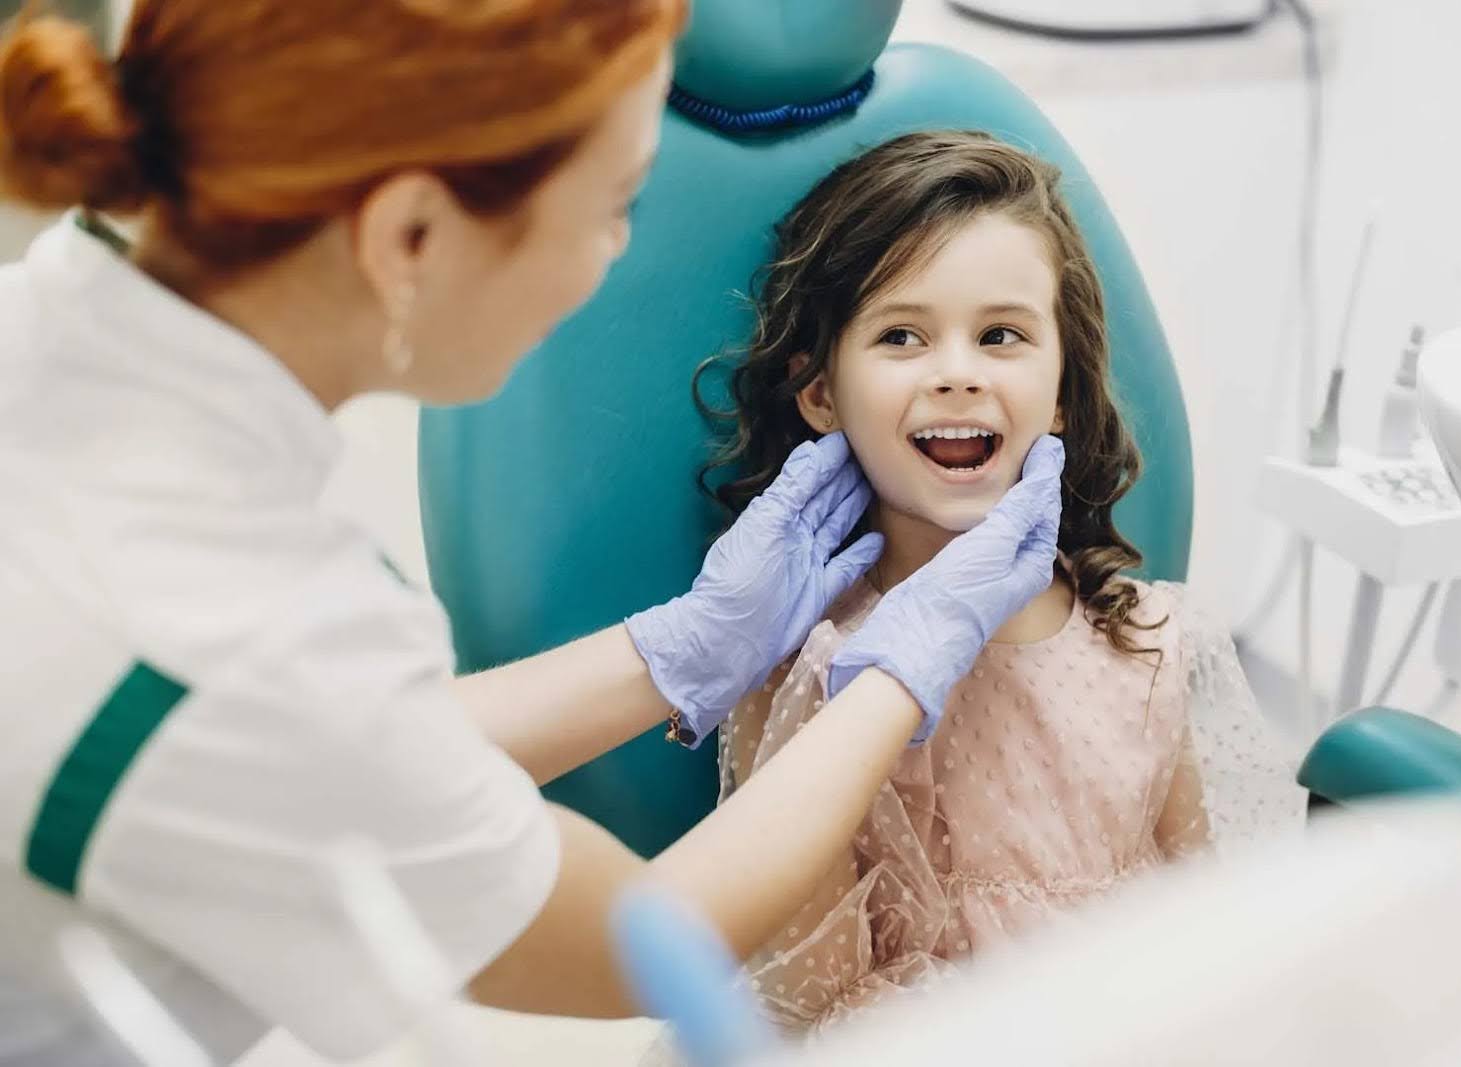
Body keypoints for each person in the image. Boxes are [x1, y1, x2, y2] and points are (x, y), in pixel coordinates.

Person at [0, 7, 1063, 1062]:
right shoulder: (229, 633)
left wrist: (682, 647)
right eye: (617, 206)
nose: (613, 259)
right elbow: (642, 944)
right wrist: (902, 665)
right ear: (409, 237)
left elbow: (322, 754)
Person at [677, 132, 1303, 1038]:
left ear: (1059, 392)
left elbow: (1205, 924)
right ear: (819, 394)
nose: (958, 370)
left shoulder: (1149, 645)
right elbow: (812, 1008)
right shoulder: (811, 673)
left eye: (1001, 334)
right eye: (902, 335)